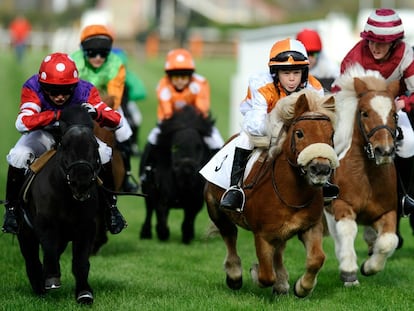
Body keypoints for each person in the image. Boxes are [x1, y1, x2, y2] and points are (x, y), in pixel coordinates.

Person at [200, 38, 338, 212]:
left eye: (296, 73)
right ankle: (235, 189)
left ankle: (325, 181)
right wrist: (283, 131)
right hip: (263, 119)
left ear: (304, 72)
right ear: (276, 72)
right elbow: (257, 124)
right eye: (286, 73)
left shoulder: (314, 86)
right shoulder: (261, 84)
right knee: (244, 139)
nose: (292, 79)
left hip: (297, 125)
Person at [2, 52, 127, 235]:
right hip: (43, 134)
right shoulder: (32, 86)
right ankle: (11, 211)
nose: (60, 96)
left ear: (74, 86)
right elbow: (22, 123)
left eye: (66, 91)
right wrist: (57, 115)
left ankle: (111, 208)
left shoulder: (85, 90)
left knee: (105, 152)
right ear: (43, 85)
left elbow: (118, 122)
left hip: (75, 136)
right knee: (18, 156)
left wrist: (97, 112)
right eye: (53, 91)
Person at [336, 8, 414, 212]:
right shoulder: (354, 56)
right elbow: (339, 91)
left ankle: (403, 195)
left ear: (395, 42)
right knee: (337, 137)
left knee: (409, 143)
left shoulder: (407, 55)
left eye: (382, 42)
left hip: (393, 107)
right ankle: (330, 188)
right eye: (371, 40)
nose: (375, 46)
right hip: (358, 111)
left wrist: (405, 103)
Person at [71, 24, 138, 192]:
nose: (98, 58)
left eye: (104, 53)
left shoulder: (116, 64)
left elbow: (115, 94)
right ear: (84, 50)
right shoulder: (73, 61)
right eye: (93, 53)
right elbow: (71, 90)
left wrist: (101, 108)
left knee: (125, 133)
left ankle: (126, 175)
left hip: (107, 104)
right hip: (78, 105)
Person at [140, 48, 224, 180]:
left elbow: (201, 109)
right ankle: (145, 172)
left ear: (190, 76)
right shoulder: (163, 85)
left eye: (184, 76)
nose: (180, 80)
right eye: (175, 76)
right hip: (170, 123)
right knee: (152, 139)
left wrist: (188, 122)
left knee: (217, 142)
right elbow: (167, 112)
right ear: (169, 76)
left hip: (196, 122)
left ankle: (221, 175)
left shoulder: (201, 83)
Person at [112, 47, 147, 156]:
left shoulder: (128, 76)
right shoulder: (106, 75)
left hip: (126, 103)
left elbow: (141, 91)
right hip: (110, 104)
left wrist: (129, 97)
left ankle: (134, 144)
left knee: (136, 119)